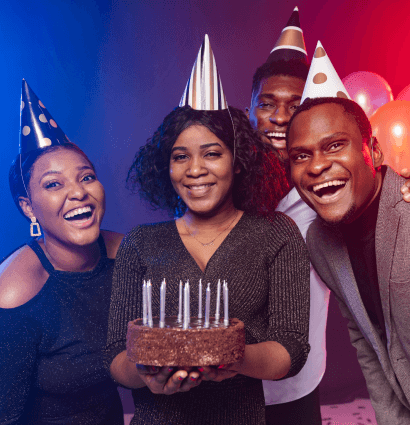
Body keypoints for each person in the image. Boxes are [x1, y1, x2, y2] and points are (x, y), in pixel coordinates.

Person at [106, 36, 310, 424]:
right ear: (165, 168)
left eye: (212, 153)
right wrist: (149, 376)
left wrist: (232, 356)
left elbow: (292, 348)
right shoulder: (142, 243)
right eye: (180, 156)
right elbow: (116, 355)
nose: (195, 169)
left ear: (237, 161)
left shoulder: (276, 234)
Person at [0, 80, 124, 424]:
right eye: (53, 184)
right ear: (28, 207)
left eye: (86, 177)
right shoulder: (14, 292)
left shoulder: (126, 255)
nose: (78, 193)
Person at [287, 87, 410, 424]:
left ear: (373, 151)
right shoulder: (319, 242)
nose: (317, 165)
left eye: (335, 145)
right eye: (300, 155)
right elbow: (369, 344)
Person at [246, 9, 329, 424]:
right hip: (227, 385)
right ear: (249, 109)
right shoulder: (216, 182)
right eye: (267, 104)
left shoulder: (325, 189)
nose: (279, 117)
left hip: (297, 383)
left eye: (294, 106)